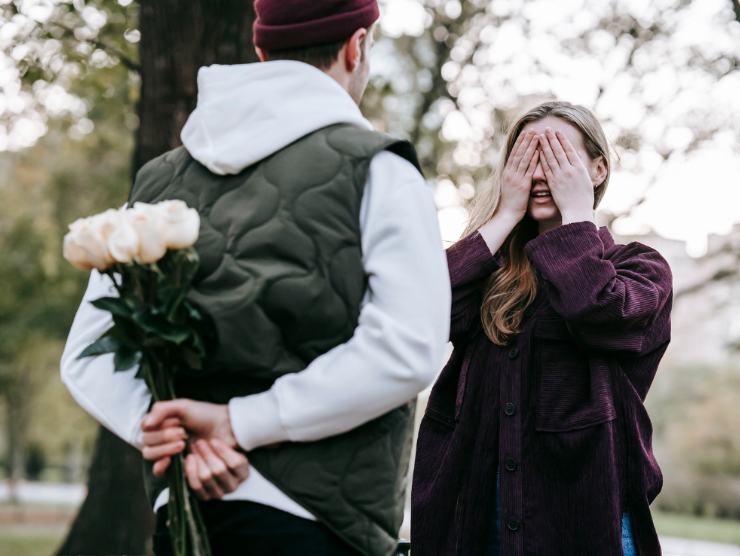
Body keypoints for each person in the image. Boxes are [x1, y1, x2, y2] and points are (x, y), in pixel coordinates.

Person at [60, 1, 451, 555]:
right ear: (356, 47)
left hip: (189, 505)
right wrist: (237, 423)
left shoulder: (159, 182)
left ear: (261, 48)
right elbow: (408, 348)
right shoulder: (380, 168)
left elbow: (91, 353)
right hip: (321, 518)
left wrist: (169, 431)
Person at [411, 101, 673, 556]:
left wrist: (576, 216)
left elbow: (598, 310)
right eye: (527, 157)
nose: (540, 171)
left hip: (586, 517)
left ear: (597, 169)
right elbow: (419, 312)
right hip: (473, 512)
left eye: (557, 156)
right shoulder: (487, 268)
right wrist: (505, 215)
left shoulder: (639, 267)